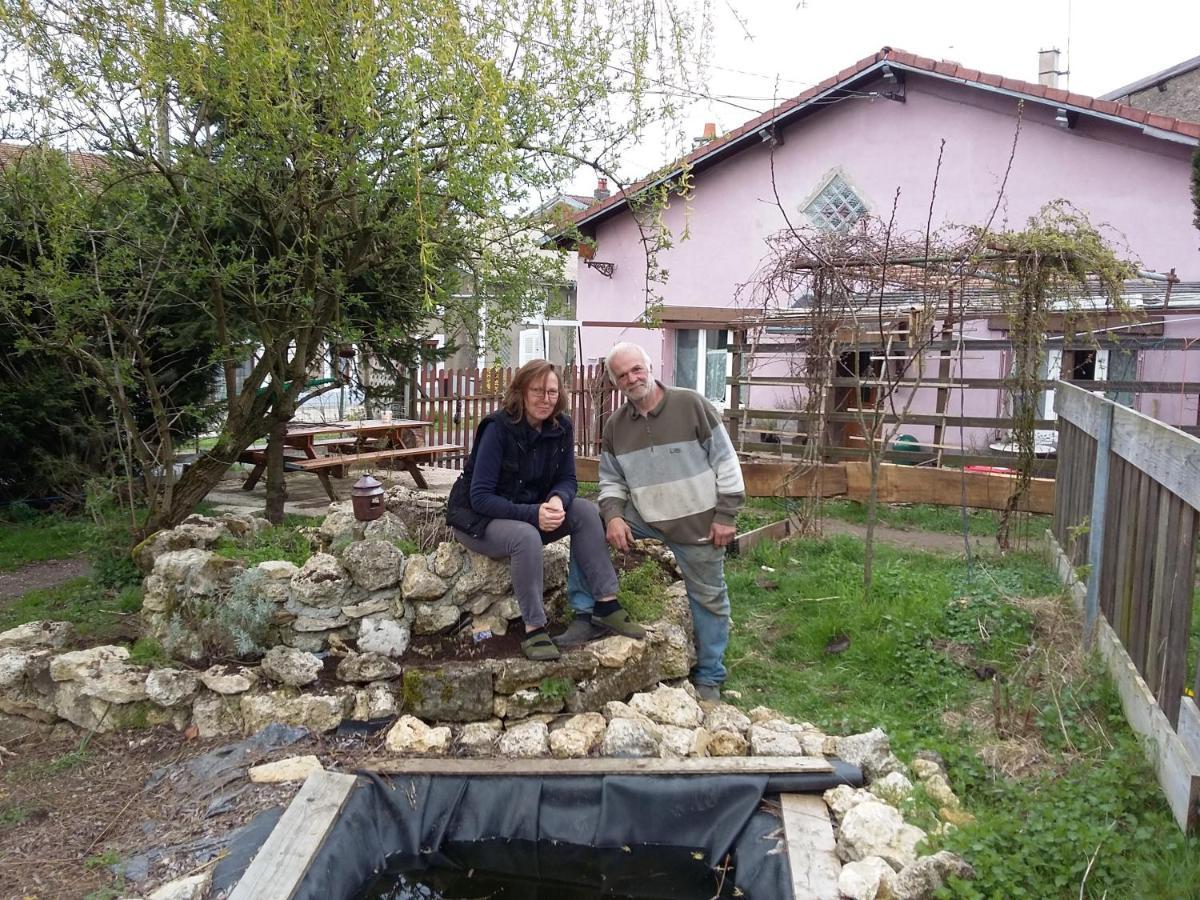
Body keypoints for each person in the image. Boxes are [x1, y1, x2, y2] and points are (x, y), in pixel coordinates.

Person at [445, 359, 645, 661]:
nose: (545, 398)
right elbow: (480, 497)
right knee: (526, 536)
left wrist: (555, 499)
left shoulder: (561, 426)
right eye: (537, 391)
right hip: (477, 521)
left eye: (552, 391)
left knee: (585, 511)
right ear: (522, 392)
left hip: (527, 511)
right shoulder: (497, 429)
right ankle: (534, 629)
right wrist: (533, 513)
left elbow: (567, 479)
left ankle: (606, 604)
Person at [591, 342, 744, 701]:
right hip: (646, 517)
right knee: (588, 525)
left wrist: (726, 515)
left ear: (649, 367)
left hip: (699, 525)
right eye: (623, 375)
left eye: (636, 369)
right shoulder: (616, 426)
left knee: (709, 600)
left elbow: (726, 461)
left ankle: (709, 676)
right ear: (615, 383)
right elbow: (611, 481)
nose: (632, 378)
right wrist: (612, 516)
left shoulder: (690, 404)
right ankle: (590, 611)